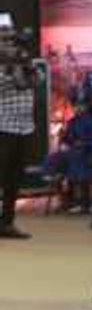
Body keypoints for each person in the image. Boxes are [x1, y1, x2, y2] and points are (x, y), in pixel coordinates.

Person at [0, 32, 36, 240]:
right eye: (7, 44)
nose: (13, 49)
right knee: (3, 176)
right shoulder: (3, 70)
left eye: (15, 45)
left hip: (24, 129)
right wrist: (11, 66)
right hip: (4, 129)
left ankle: (7, 223)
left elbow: (36, 81)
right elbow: (17, 84)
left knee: (13, 180)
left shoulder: (25, 65)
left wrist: (25, 64)